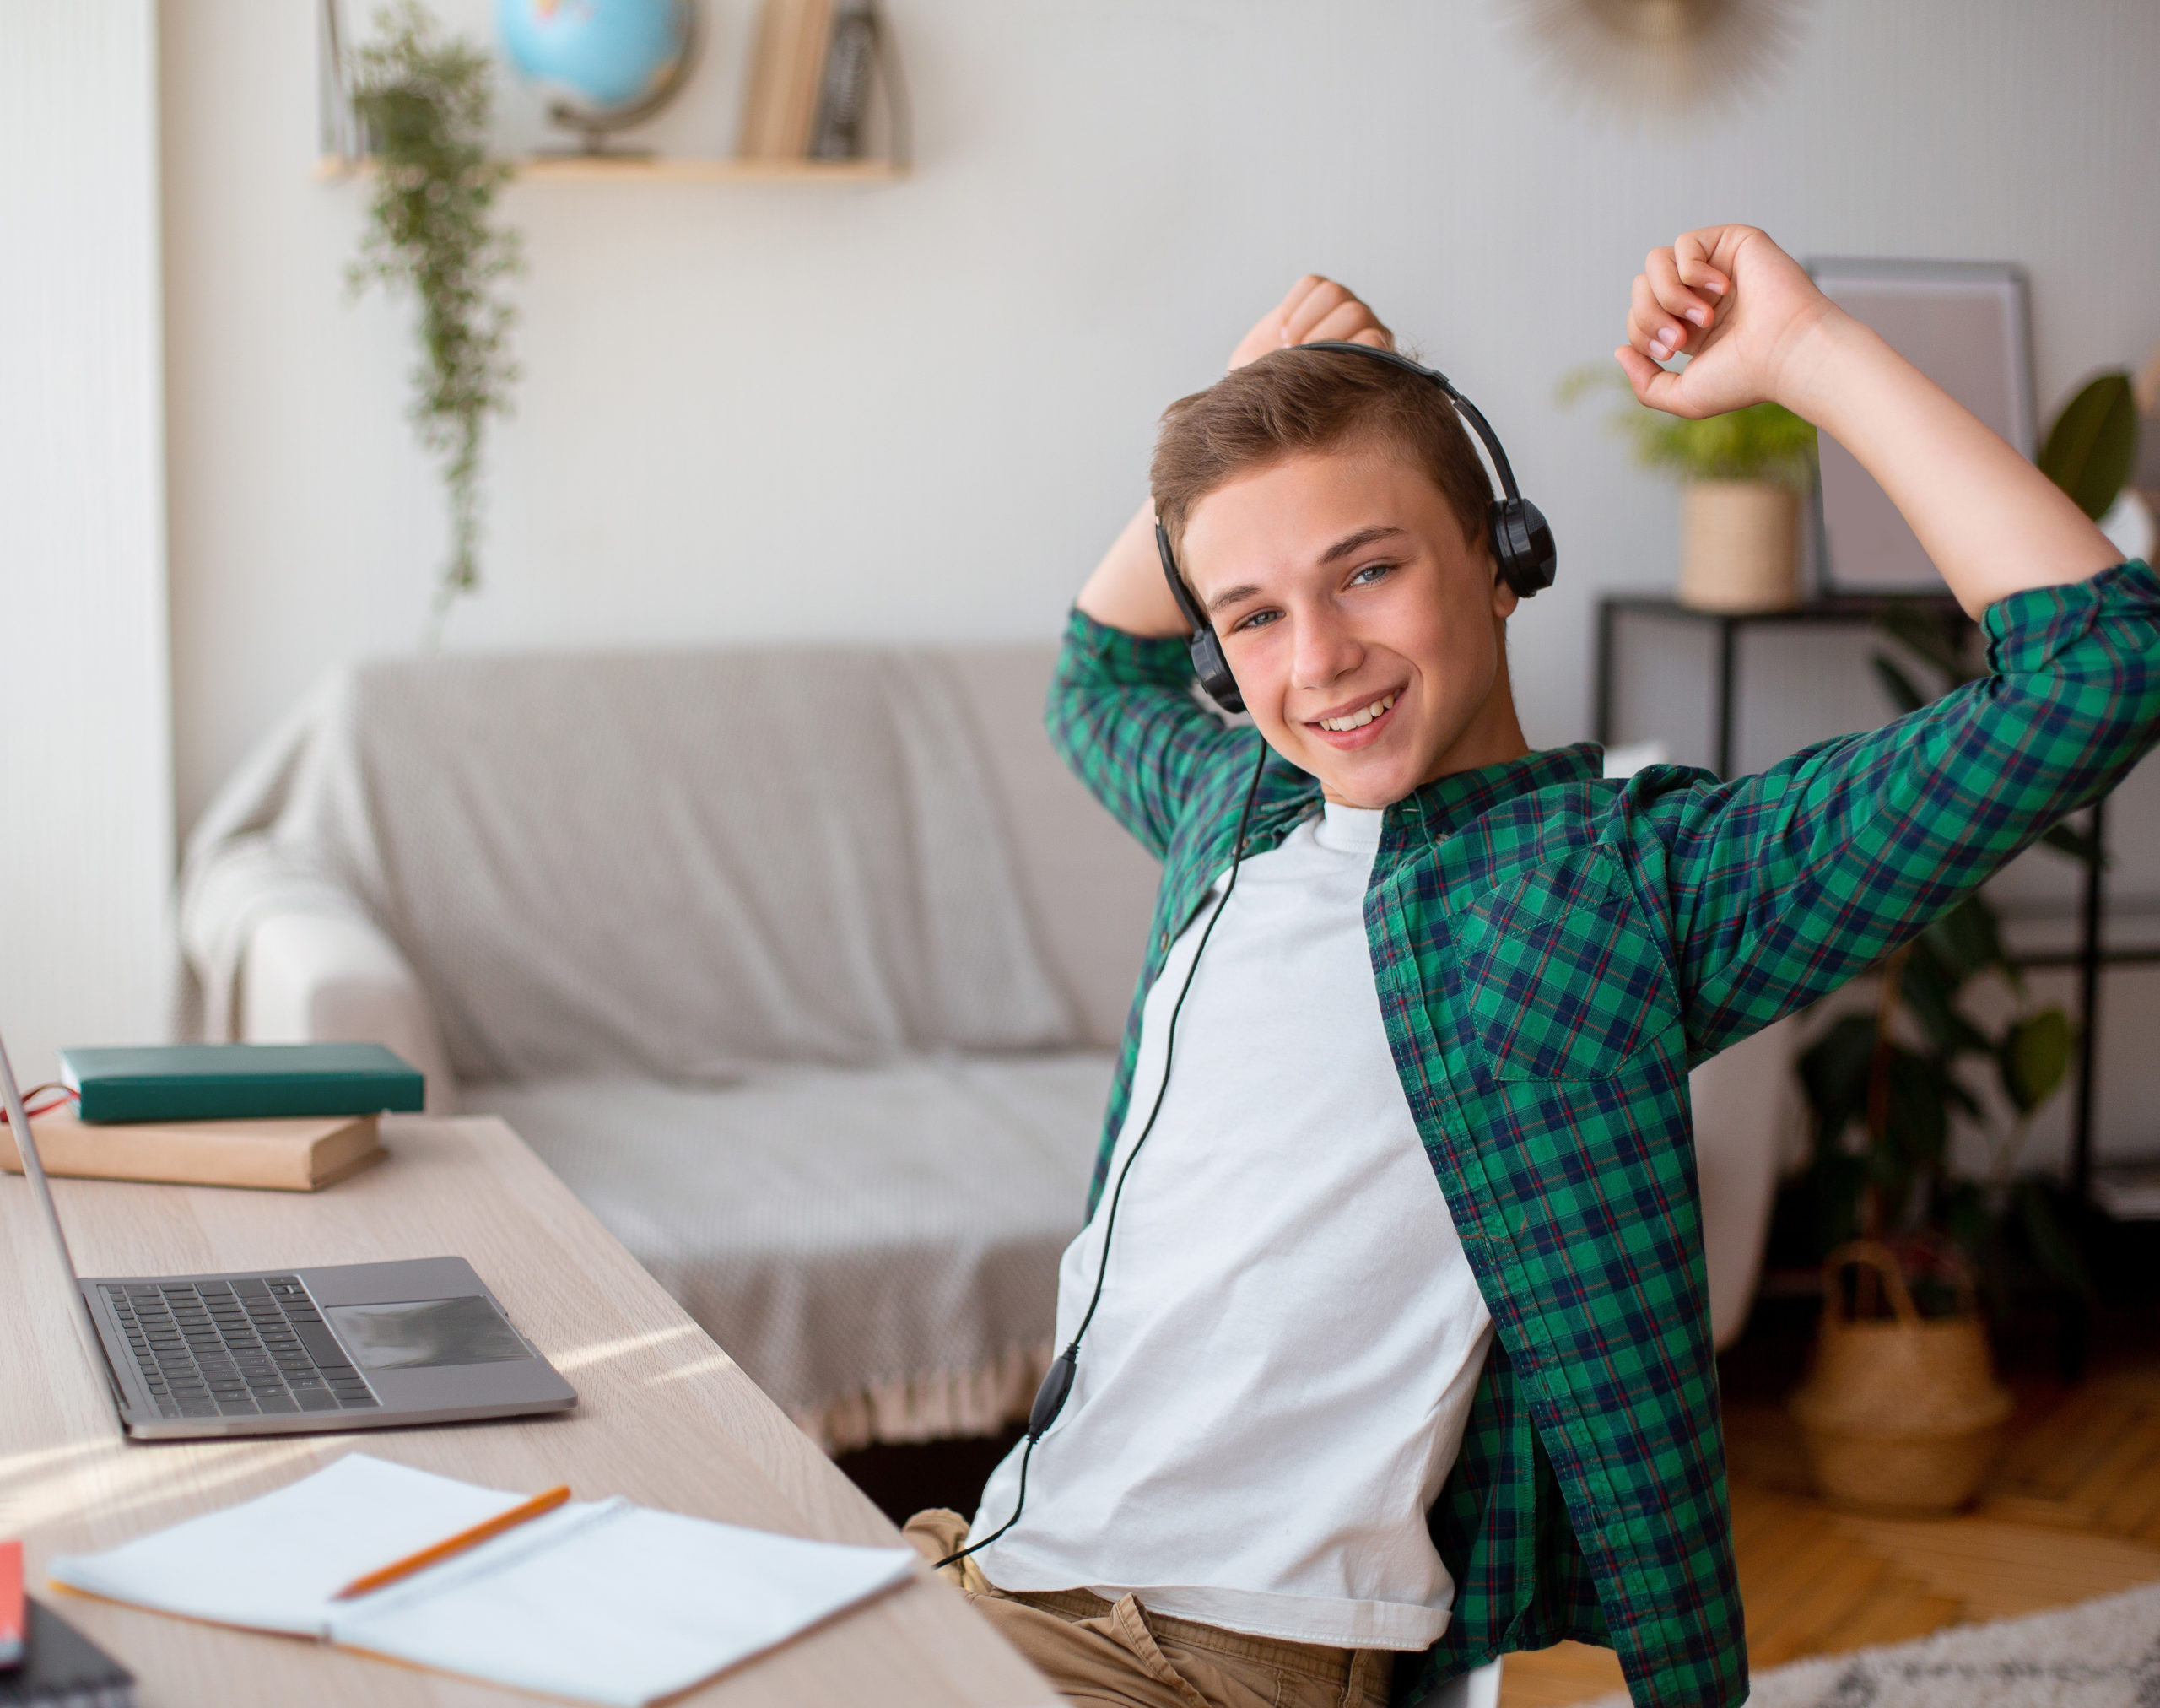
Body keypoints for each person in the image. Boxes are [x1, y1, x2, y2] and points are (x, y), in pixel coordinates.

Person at [903, 226, 2158, 1708]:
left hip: (1215, 1652)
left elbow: (2098, 672)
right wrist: (1243, 410)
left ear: (1504, 565)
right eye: (1252, 616)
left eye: (1365, 571)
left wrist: (1808, 350)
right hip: (998, 1555)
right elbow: (1093, 671)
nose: (1316, 662)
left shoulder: (1633, 887)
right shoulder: (1225, 811)